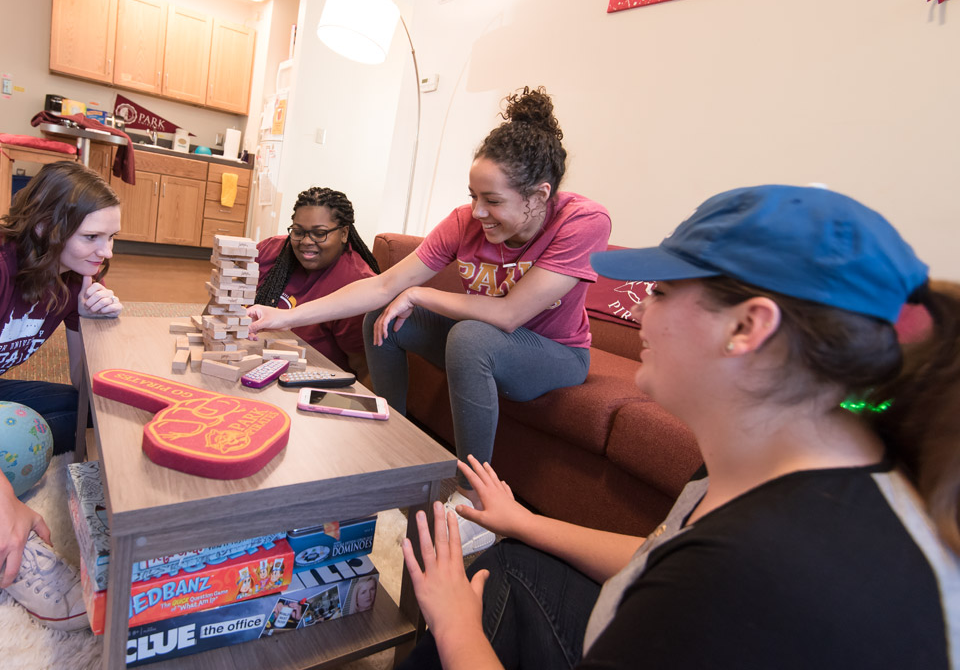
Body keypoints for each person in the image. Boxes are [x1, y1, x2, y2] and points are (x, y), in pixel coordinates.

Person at [398, 184, 960, 669]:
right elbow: (662, 551)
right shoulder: (789, 458)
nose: (639, 311)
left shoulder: (749, 576)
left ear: (747, 326)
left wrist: (454, 626)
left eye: (661, 293)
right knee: (513, 564)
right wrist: (523, 521)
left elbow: (692, 570)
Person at [249, 87, 612, 554]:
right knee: (387, 313)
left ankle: (472, 499)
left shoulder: (582, 221)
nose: (478, 213)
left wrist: (420, 293)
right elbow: (382, 287)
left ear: (539, 195)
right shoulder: (465, 221)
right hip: (487, 337)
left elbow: (510, 314)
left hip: (555, 355)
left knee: (471, 336)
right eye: (473, 197)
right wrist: (283, 316)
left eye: (493, 201)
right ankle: (389, 450)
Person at [0, 160, 122, 629]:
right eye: (92, 237)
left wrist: (93, 322)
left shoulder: (76, 276)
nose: (104, 251)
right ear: (48, 226)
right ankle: (14, 550)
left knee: (84, 413)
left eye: (111, 238)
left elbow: (79, 385)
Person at [253, 186, 380, 382]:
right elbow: (221, 304)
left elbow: (365, 369)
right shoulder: (270, 250)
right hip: (251, 364)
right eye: (298, 231)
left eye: (319, 233)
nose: (306, 241)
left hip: (308, 384)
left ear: (344, 233)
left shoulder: (358, 286)